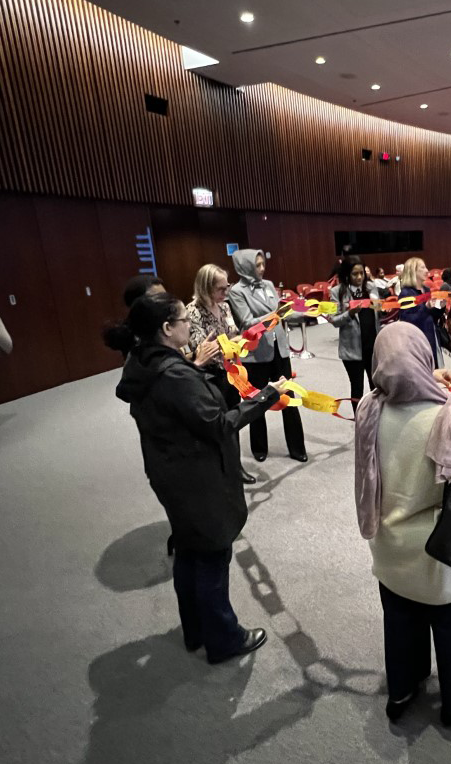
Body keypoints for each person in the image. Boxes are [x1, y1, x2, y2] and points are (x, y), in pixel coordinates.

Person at [105, 292, 288, 664]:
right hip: (196, 479)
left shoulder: (146, 363)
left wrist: (198, 371)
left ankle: (195, 630)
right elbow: (218, 425)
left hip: (170, 472)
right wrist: (266, 398)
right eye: (182, 321)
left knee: (189, 551)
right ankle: (223, 639)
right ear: (167, 329)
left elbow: (177, 402)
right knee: (212, 556)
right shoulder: (172, 374)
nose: (189, 325)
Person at [355, 322, 451, 727]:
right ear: (427, 357)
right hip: (446, 553)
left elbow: (400, 384)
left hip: (390, 550)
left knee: (401, 625)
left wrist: (426, 382)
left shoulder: (368, 410)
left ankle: (403, 690)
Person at [227, 249, 307, 463]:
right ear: (245, 266)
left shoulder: (269, 285)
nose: (262, 269)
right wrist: (275, 313)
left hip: (279, 349)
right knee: (257, 401)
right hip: (257, 353)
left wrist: (302, 310)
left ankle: (297, 447)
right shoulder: (237, 291)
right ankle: (259, 447)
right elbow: (246, 322)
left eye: (263, 264)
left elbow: (281, 313)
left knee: (289, 398)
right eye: (257, 265)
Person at [185, 264, 257, 486]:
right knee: (215, 425)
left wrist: (243, 340)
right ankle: (218, 470)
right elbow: (200, 348)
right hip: (208, 375)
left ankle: (235, 466)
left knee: (233, 421)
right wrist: (229, 342)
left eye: (228, 286)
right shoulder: (192, 312)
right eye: (221, 288)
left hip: (230, 372)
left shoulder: (225, 307)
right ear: (206, 288)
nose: (226, 293)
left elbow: (233, 335)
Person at [330, 256, 382, 412]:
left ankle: (378, 419)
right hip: (352, 350)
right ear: (347, 275)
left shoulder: (371, 287)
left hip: (372, 346)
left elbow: (379, 314)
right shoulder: (337, 292)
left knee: (377, 386)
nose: (359, 277)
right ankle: (359, 422)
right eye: (355, 274)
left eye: (361, 273)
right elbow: (334, 320)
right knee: (357, 387)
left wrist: (380, 307)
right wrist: (350, 313)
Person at [397, 257, 444, 366]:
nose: (427, 270)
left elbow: (432, 317)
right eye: (422, 268)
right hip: (416, 342)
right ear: (413, 271)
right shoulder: (406, 293)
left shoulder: (426, 290)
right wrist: (425, 307)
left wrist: (440, 307)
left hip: (430, 337)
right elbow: (407, 320)